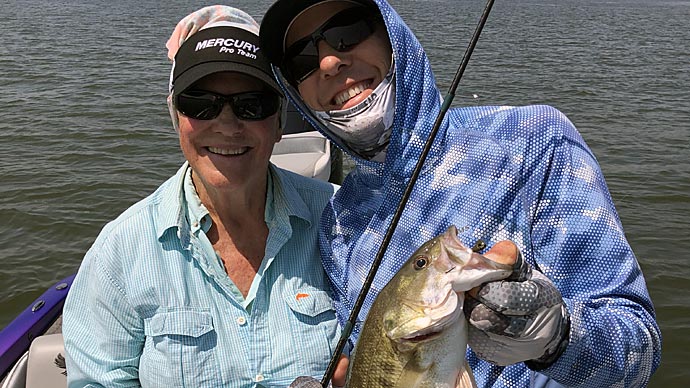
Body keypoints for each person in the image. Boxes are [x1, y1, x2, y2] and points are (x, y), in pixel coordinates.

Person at [259, 0, 662, 387]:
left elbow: (639, 353)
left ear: (393, 36)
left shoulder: (533, 139)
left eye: (347, 32)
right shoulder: (340, 219)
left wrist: (557, 336)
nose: (330, 62)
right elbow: (367, 358)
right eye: (302, 61)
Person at [63, 6, 343, 387]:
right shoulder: (120, 249)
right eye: (200, 103)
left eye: (252, 104)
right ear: (176, 117)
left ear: (280, 121)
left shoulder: (345, 219)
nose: (227, 124)